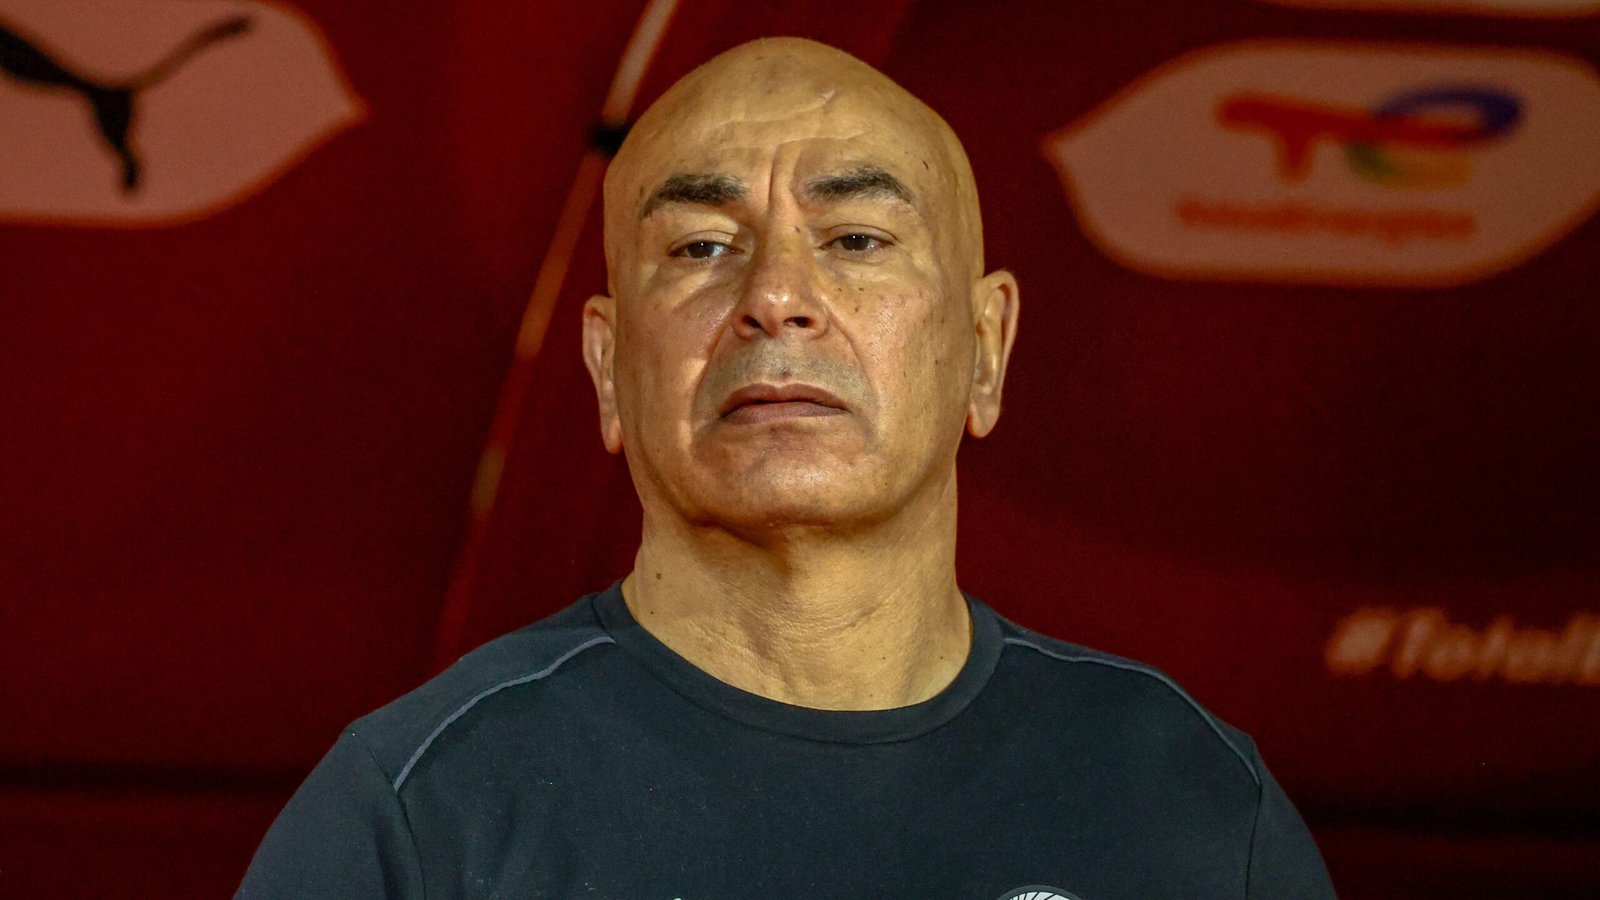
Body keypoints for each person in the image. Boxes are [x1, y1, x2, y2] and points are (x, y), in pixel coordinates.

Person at [235, 37, 1336, 899]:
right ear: (610, 369)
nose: (775, 296)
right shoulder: (420, 812)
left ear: (984, 350)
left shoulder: (1187, 799)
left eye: (855, 239)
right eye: (701, 247)